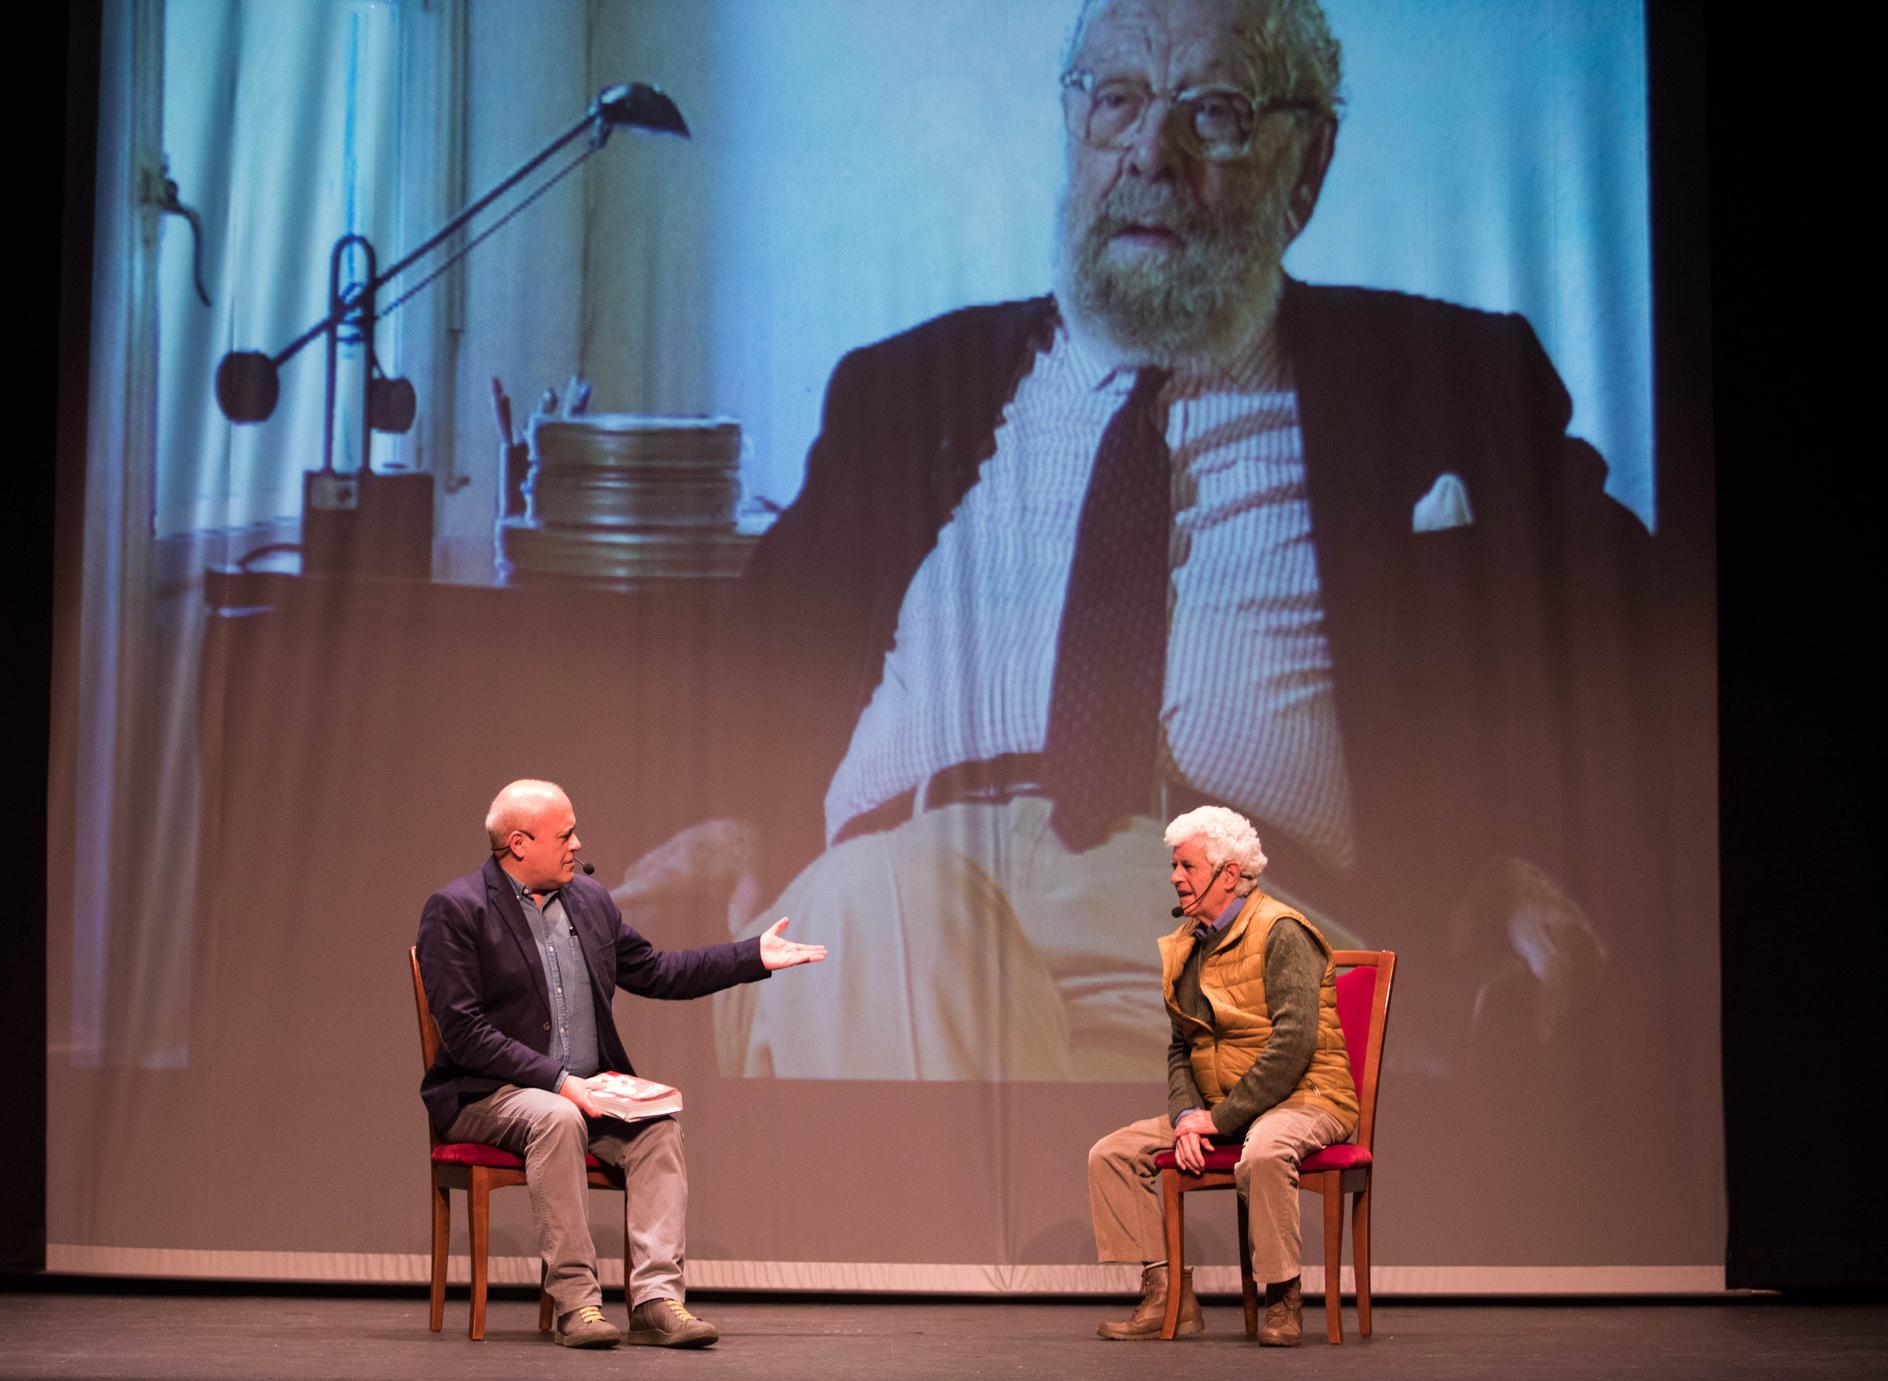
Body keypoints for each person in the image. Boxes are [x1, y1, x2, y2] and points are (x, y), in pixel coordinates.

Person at [623, 0, 1655, 1083]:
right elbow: (755, 656)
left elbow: (1639, 634)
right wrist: (727, 815)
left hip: (1244, 931)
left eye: (1210, 112)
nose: (1147, 154)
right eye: (1114, 100)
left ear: (1306, 163)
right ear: (1073, 127)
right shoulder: (902, 387)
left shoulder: (1444, 382)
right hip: (890, 900)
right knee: (885, 905)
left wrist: (1531, 852)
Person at [416, 779, 824, 1348]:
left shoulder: (589, 901)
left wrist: (751, 955)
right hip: (487, 1094)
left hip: (586, 1091)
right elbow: (463, 1033)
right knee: (555, 1117)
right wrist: (559, 1083)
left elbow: (658, 971)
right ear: (518, 842)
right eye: (564, 834)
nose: (577, 844)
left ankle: (657, 1301)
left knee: (658, 1129)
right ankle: (577, 1304)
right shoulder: (458, 910)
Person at [1087, 805, 1356, 1346]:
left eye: (1185, 865)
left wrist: (1218, 1121)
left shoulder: (1283, 931)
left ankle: (1282, 1296)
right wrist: (1189, 1117)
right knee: (1112, 1155)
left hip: (1308, 1098)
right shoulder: (1188, 947)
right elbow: (1180, 1048)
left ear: (1228, 874)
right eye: (1174, 865)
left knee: (1263, 1151)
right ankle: (1169, 1295)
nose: (1174, 877)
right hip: (1220, 1107)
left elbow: (1292, 1047)